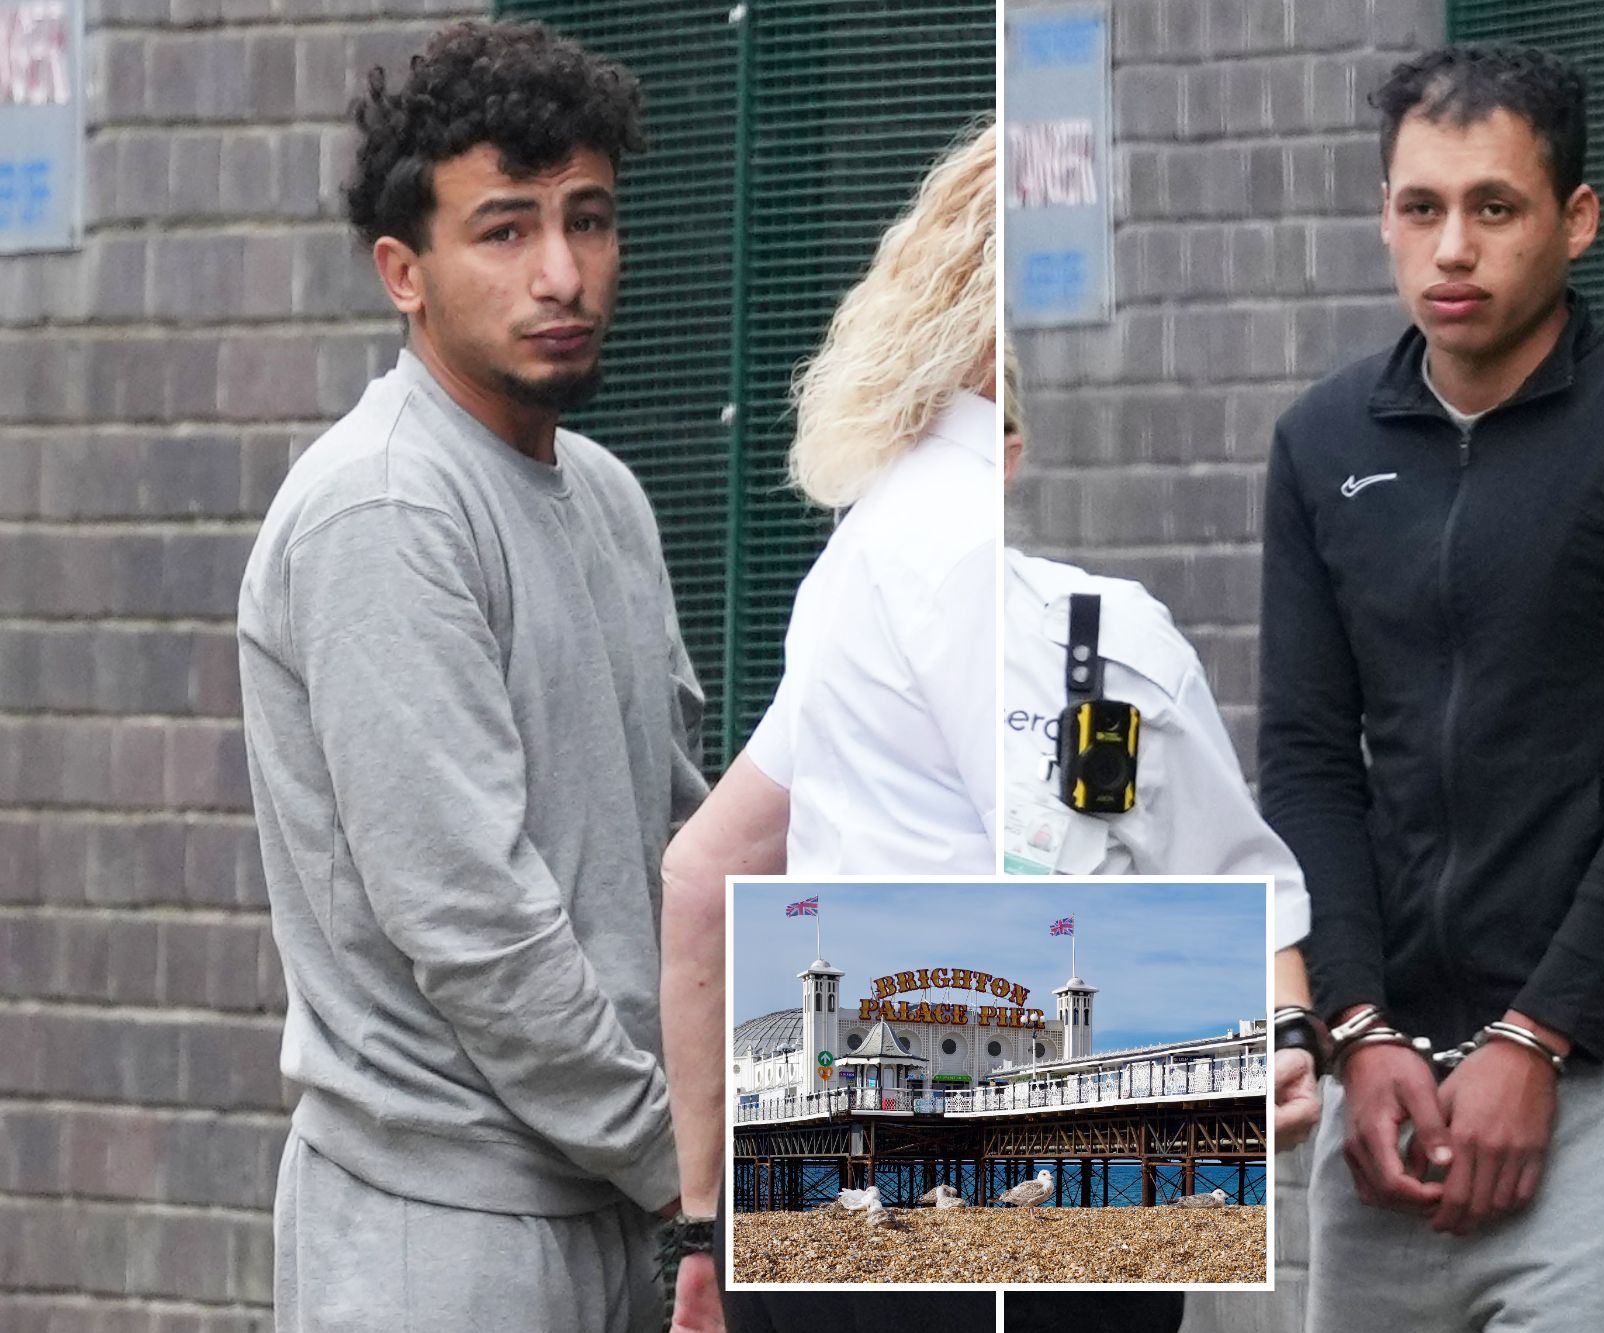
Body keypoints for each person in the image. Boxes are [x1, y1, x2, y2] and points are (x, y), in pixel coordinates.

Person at [1257, 45, 1604, 1333]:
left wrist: (1536, 1035)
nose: (1452, 248)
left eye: (1493, 207)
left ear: (1574, 219)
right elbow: (1307, 759)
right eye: (1420, 207)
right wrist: (1355, 1023)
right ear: (1382, 215)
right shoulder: (1319, 443)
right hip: (1389, 1095)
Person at [237, 21, 704, 1332]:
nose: (562, 273)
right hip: (441, 1230)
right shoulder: (385, 506)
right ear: (404, 271)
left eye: (588, 220)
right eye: (505, 230)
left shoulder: (606, 496)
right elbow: (474, 923)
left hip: (621, 1201)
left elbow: (677, 850)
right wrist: (693, 1169)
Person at [657, 123, 998, 1333]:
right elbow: (1068, 888)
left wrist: (704, 1230)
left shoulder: (870, 536)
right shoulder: (988, 544)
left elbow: (704, 871)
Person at [999, 350, 1326, 1333]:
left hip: (1097, 1198)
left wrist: (1286, 1038)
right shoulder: (831, 652)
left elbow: (1242, 889)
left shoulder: (1103, 643)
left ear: (1008, 451)